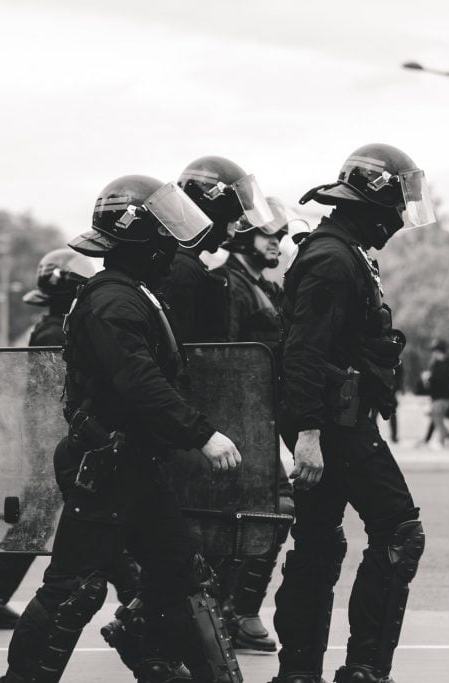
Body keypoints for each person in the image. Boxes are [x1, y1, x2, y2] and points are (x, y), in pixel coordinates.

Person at [1, 174, 244, 683]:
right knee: (73, 588)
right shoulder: (114, 300)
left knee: (178, 571)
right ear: (142, 236)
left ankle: (160, 656)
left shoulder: (130, 293)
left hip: (133, 462)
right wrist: (201, 433)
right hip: (107, 464)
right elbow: (140, 381)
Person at [272, 143, 430, 683]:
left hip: (333, 422)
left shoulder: (341, 250)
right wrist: (309, 434)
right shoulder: (333, 258)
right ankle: (364, 670)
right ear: (374, 201)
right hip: (336, 427)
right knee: (399, 530)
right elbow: (303, 350)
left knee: (318, 544)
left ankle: (298, 673)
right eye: (396, 204)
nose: (399, 218)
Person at [0, 248, 97, 628]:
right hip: (59, 440)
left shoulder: (52, 326)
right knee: (93, 517)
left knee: (35, 521)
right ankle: (137, 598)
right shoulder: (61, 330)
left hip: (50, 440)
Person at [208, 197, 294, 653]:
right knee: (266, 510)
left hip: (261, 415)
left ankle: (238, 610)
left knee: (273, 510)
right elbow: (222, 355)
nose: (277, 243)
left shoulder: (263, 285)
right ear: (243, 236)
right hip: (236, 419)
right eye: (268, 236)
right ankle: (231, 611)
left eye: (280, 236)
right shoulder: (228, 284)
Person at [162, 155, 274, 342]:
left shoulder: (182, 261)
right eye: (232, 218)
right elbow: (185, 350)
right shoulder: (181, 268)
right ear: (210, 212)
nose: (231, 233)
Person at [424, 339, 449, 447]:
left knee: (437, 417)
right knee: (441, 417)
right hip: (438, 396)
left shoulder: (448, 363)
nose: (433, 353)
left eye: (434, 351)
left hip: (444, 396)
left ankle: (447, 437)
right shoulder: (435, 363)